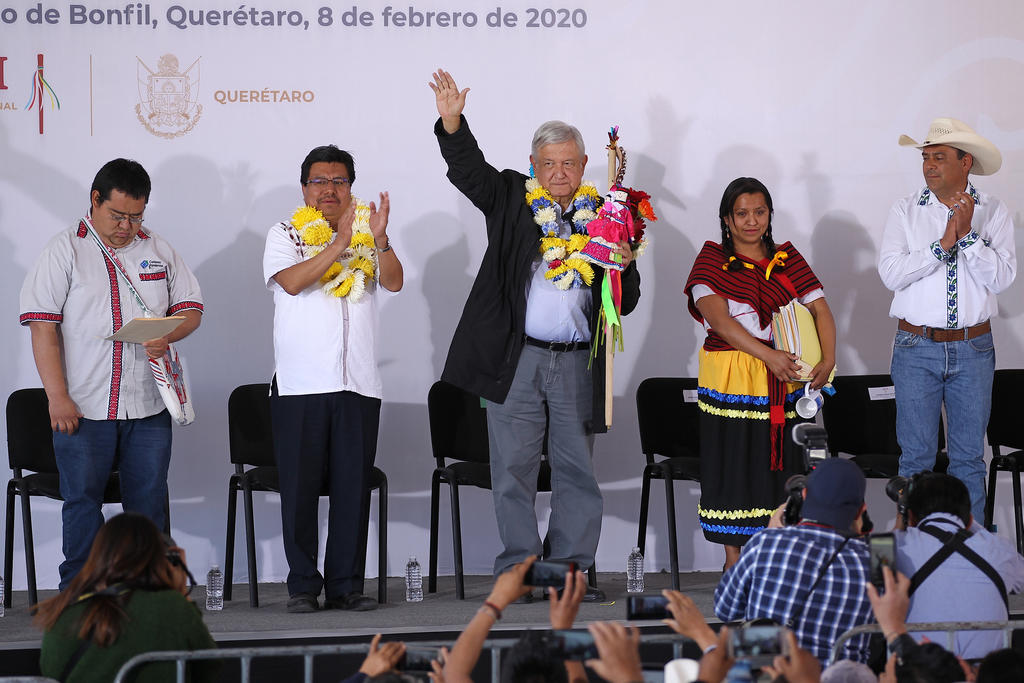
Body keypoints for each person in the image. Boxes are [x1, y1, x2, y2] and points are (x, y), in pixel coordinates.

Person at [429, 69, 640, 600]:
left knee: (575, 472)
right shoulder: (510, 198)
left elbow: (625, 302)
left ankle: (568, 570)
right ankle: (519, 571)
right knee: (513, 470)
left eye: (569, 163)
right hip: (515, 358)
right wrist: (452, 123)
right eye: (549, 164)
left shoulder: (607, 216)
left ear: (584, 166)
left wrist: (626, 263)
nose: (559, 172)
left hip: (576, 360)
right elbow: (470, 171)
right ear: (534, 167)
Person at [19, 158, 203, 589]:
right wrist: (57, 397)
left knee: (148, 505)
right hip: (84, 406)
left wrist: (169, 333)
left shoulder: (158, 248)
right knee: (82, 503)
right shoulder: (64, 249)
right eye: (118, 215)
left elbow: (191, 309)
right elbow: (43, 329)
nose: (127, 226)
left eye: (136, 216)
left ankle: (149, 591)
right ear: (95, 200)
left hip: (148, 405)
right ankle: (79, 594)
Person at [263, 145, 403, 613]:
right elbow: (293, 282)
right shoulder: (284, 233)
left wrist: (378, 241)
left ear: (351, 187)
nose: (329, 189)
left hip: (359, 384)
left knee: (351, 491)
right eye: (319, 181)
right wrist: (339, 244)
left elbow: (396, 281)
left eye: (338, 181)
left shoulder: (367, 235)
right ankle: (303, 585)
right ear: (304, 188)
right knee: (300, 491)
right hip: (301, 386)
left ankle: (346, 585)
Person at [683, 177, 836, 568]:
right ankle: (734, 561)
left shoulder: (787, 258)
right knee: (734, 461)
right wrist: (767, 357)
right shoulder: (712, 260)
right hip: (732, 374)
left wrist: (828, 359)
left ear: (769, 215)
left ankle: (779, 554)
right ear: (727, 219)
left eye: (760, 212)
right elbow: (719, 321)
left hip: (785, 375)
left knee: (784, 462)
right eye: (742, 213)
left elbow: (820, 309)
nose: (752, 221)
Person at [878, 117, 1016, 522]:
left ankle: (968, 556)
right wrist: (943, 246)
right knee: (916, 458)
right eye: (926, 158)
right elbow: (891, 273)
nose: (929, 165)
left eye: (939, 157)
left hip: (973, 348)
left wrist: (969, 236)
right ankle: (911, 555)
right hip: (915, 346)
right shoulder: (905, 210)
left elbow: (1004, 277)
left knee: (969, 458)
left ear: (965, 162)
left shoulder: (994, 210)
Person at [714, 457, 873, 665]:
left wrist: (770, 531)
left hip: (771, 675)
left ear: (805, 495)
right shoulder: (874, 561)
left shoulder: (766, 543)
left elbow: (725, 610)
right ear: (861, 510)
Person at [35, 512, 217, 683]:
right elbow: (209, 668)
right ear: (159, 557)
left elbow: (50, 672)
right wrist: (180, 591)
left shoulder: (63, 610)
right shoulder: (172, 606)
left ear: (97, 556)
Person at [892, 472, 1024, 659]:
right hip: (984, 675)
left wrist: (900, 517)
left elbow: (879, 567)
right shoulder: (1000, 550)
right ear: (970, 519)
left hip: (921, 675)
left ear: (911, 517)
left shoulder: (895, 545)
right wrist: (974, 527)